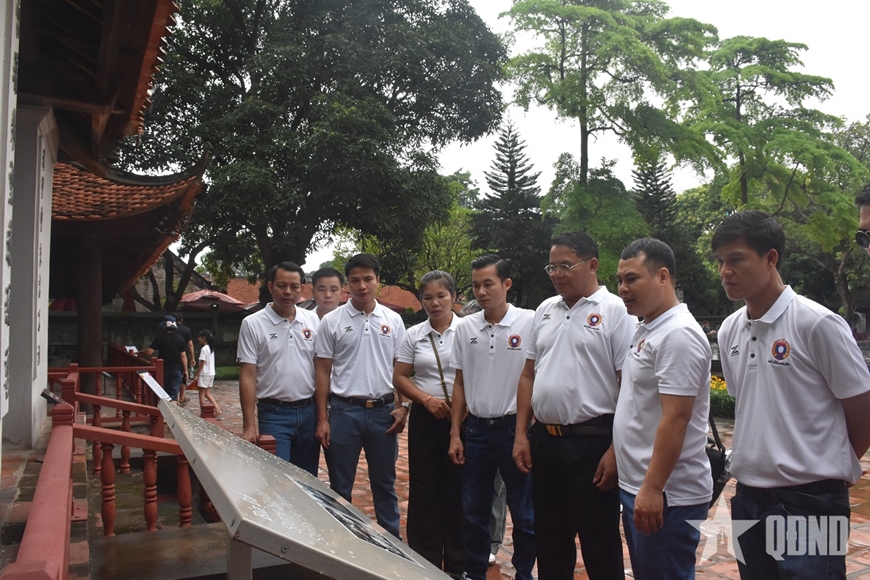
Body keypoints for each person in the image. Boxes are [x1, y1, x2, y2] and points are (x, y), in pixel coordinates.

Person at [712, 210, 870, 579]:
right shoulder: (729, 329)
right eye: (720, 261)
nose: (725, 272)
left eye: (736, 260)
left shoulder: (816, 323)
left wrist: (836, 466)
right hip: (749, 499)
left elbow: (862, 409)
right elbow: (749, 404)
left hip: (809, 502)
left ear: (770, 258)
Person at [513, 231, 633, 580]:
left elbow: (629, 385)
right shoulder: (545, 310)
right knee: (550, 538)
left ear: (592, 265)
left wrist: (616, 449)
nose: (557, 274)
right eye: (552, 267)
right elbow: (528, 375)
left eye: (566, 266)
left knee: (599, 539)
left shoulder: (615, 311)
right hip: (545, 441)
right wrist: (521, 434)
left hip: (592, 443)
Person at [614, 238, 712, 580]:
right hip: (641, 486)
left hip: (667, 494)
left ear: (663, 276)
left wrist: (653, 488)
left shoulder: (677, 334)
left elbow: (676, 417)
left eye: (632, 279)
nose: (623, 289)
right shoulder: (648, 328)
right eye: (620, 280)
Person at [448, 254, 536, 580]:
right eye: (476, 285)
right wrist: (455, 433)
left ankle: (525, 573)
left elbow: (535, 374)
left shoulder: (530, 322)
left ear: (506, 284)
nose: (482, 292)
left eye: (488, 284)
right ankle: (474, 572)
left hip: (515, 428)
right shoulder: (465, 327)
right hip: (475, 429)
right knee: (473, 509)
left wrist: (526, 429)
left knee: (524, 512)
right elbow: (459, 382)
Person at [314, 253, 408, 539]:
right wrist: (323, 418)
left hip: (384, 413)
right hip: (344, 412)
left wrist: (403, 406)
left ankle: (392, 545)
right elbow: (322, 371)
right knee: (340, 485)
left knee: (385, 483)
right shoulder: (332, 321)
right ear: (347, 284)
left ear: (378, 280)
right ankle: (342, 543)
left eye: (368, 279)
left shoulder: (393, 320)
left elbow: (401, 369)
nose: (362, 286)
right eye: (355, 280)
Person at [393, 270, 464, 578]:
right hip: (426, 417)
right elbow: (400, 377)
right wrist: (426, 400)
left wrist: (461, 410)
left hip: (462, 418)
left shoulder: (468, 331)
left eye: (441, 296)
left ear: (454, 297)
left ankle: (459, 563)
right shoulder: (414, 335)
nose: (435, 303)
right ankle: (426, 559)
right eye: (428, 297)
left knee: (459, 488)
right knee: (425, 488)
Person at [236, 262, 321, 475]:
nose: (288, 292)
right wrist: (249, 425)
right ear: (270, 286)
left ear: (302, 288)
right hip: (274, 414)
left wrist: (322, 416)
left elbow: (321, 367)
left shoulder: (312, 320)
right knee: (276, 478)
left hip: (309, 412)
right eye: (282, 285)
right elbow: (248, 375)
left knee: (307, 479)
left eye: (294, 286)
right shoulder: (253, 324)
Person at [460, 299, 505, 566]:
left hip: (502, 421)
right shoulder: (466, 339)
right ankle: (475, 544)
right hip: (472, 422)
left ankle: (493, 541)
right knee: (475, 488)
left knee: (498, 488)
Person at [138, 320, 189, 402]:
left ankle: (162, 408)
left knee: (162, 393)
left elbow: (149, 352)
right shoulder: (180, 339)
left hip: (163, 369)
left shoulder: (160, 338)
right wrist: (185, 370)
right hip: (176, 369)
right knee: (173, 395)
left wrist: (139, 353)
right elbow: (183, 356)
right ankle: (173, 407)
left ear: (164, 327)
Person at [191, 329, 221, 417]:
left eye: (200, 337)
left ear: (204, 338)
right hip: (211, 373)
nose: (198, 339)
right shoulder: (211, 348)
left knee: (201, 394)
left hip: (204, 373)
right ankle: (217, 409)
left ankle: (203, 412)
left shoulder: (204, 349)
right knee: (207, 393)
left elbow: (202, 362)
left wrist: (196, 375)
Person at [171, 312, 196, 404]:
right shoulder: (186, 330)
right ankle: (181, 396)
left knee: (173, 375)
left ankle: (175, 397)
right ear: (182, 320)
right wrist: (192, 357)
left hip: (172, 354)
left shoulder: (171, 330)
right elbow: (190, 344)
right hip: (183, 354)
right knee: (183, 375)